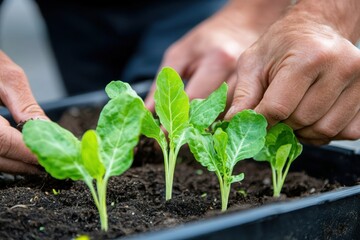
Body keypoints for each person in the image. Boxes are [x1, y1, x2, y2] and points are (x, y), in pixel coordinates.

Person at [0, 0, 359, 174]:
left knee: (175, 117)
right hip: (69, 12)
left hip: (185, 6)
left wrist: (262, 17)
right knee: (109, 121)